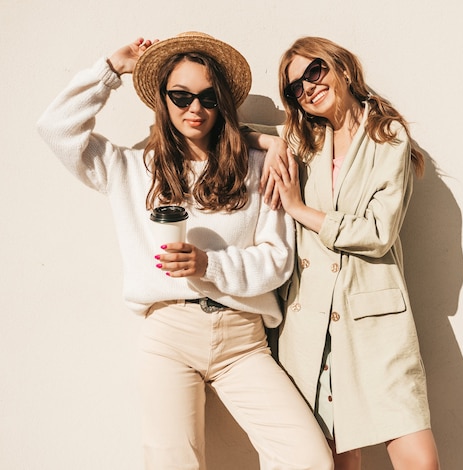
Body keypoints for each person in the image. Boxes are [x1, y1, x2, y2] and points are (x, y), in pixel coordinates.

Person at [36, 31, 333, 470]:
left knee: (308, 459)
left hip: (244, 342)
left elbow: (277, 259)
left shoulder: (256, 166)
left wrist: (209, 264)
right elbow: (56, 129)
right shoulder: (132, 168)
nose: (195, 109)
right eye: (181, 96)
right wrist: (110, 70)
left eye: (209, 98)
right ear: (164, 100)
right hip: (169, 337)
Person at [259, 37, 441, 469]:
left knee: (419, 460)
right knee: (339, 460)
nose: (307, 87)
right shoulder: (304, 140)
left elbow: (378, 232)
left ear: (341, 66)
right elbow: (238, 134)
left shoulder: (387, 136)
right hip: (310, 325)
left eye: (314, 71)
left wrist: (300, 210)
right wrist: (274, 145)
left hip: (375, 321)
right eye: (294, 88)